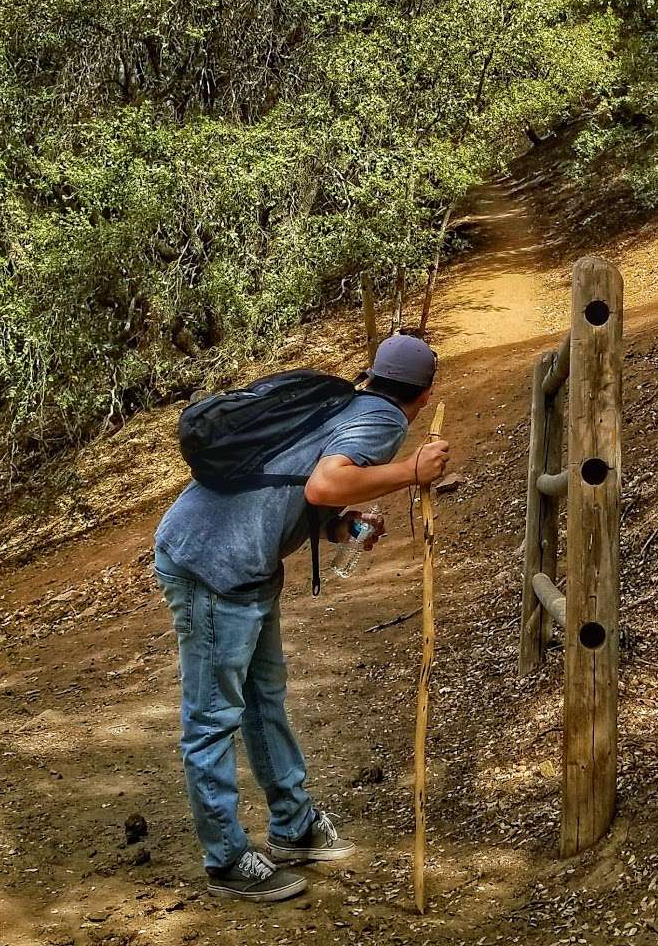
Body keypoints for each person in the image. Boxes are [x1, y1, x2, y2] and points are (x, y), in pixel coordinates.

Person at [153, 333, 450, 904]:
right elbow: (325, 482)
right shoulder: (383, 421)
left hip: (235, 560)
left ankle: (293, 824)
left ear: (372, 374)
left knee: (265, 698)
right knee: (214, 716)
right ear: (426, 392)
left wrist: (341, 527)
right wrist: (412, 470)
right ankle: (228, 858)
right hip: (214, 566)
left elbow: (296, 490)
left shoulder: (344, 402)